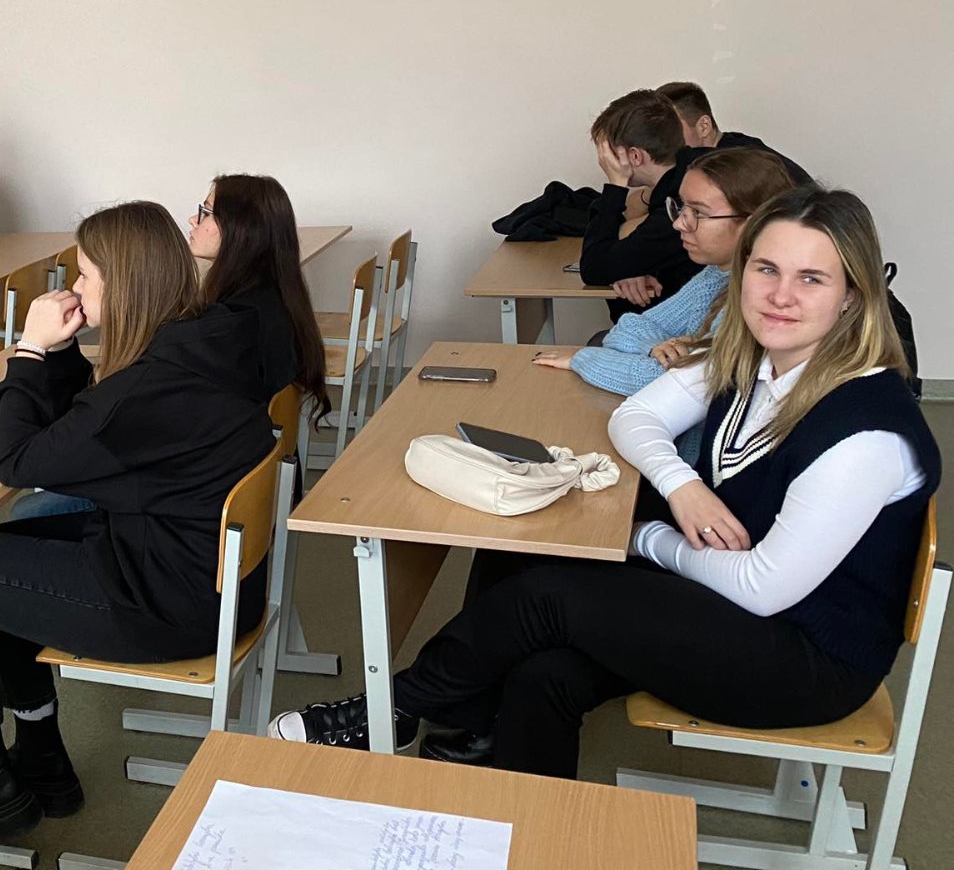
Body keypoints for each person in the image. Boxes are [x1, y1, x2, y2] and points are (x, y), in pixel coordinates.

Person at [271, 186, 938, 779]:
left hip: (803, 656)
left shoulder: (866, 432)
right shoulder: (751, 357)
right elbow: (636, 417)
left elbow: (763, 588)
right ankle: (519, 815)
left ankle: (391, 709)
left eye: (811, 278)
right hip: (726, 597)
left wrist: (643, 538)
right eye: (766, 269)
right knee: (539, 651)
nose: (780, 295)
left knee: (550, 595)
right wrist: (681, 486)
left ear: (853, 296)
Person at [0, 202, 275, 856]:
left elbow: (22, 462)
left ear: (124, 286)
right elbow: (84, 425)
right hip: (206, 577)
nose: (74, 288)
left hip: (166, 603)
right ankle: (43, 759)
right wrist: (65, 350)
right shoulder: (204, 339)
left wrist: (28, 350)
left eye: (86, 276)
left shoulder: (146, 391)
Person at [536, 148, 795, 413]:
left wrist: (582, 359)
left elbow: (675, 385)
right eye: (681, 207)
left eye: (698, 213)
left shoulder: (757, 301)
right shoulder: (717, 274)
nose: (678, 224)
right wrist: (655, 348)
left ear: (752, 224)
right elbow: (629, 327)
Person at [189, 173, 330, 417]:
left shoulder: (234, 320)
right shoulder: (276, 293)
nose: (193, 220)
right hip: (262, 433)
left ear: (242, 229)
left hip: (238, 434)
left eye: (207, 212)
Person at [581, 89, 705, 318]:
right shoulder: (694, 167)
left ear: (635, 157)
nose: (603, 162)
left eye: (608, 155)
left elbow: (593, 267)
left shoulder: (680, 206)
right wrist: (630, 265)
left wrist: (616, 185)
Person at [658, 81, 812, 184]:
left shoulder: (734, 164)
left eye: (671, 129)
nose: (661, 140)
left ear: (704, 126)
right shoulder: (720, 154)